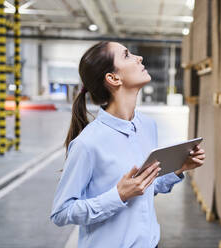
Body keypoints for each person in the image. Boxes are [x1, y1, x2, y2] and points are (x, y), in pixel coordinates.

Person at [50, 41, 206, 248]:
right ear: (113, 78)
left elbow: (145, 188)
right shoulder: (88, 143)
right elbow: (61, 212)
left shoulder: (147, 126)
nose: (138, 58)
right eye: (126, 55)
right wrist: (118, 195)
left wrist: (179, 168)